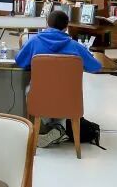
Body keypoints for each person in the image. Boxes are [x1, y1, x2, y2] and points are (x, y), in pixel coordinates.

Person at [15, 10, 102, 147]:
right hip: (68, 98)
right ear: (66, 27)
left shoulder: (33, 42)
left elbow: (20, 61)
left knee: (30, 90)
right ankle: (58, 128)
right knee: (64, 91)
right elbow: (96, 67)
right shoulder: (75, 46)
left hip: (40, 96)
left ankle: (50, 128)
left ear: (47, 24)